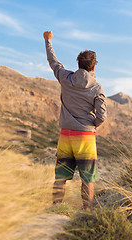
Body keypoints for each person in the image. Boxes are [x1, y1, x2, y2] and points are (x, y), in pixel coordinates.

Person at [43, 31, 107, 210]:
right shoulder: (96, 87)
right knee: (88, 178)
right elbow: (102, 115)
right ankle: (87, 212)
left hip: (66, 135)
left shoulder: (66, 78)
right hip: (85, 137)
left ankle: (56, 210)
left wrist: (48, 41)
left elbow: (53, 62)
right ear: (94, 67)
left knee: (60, 177)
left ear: (78, 64)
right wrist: (92, 125)